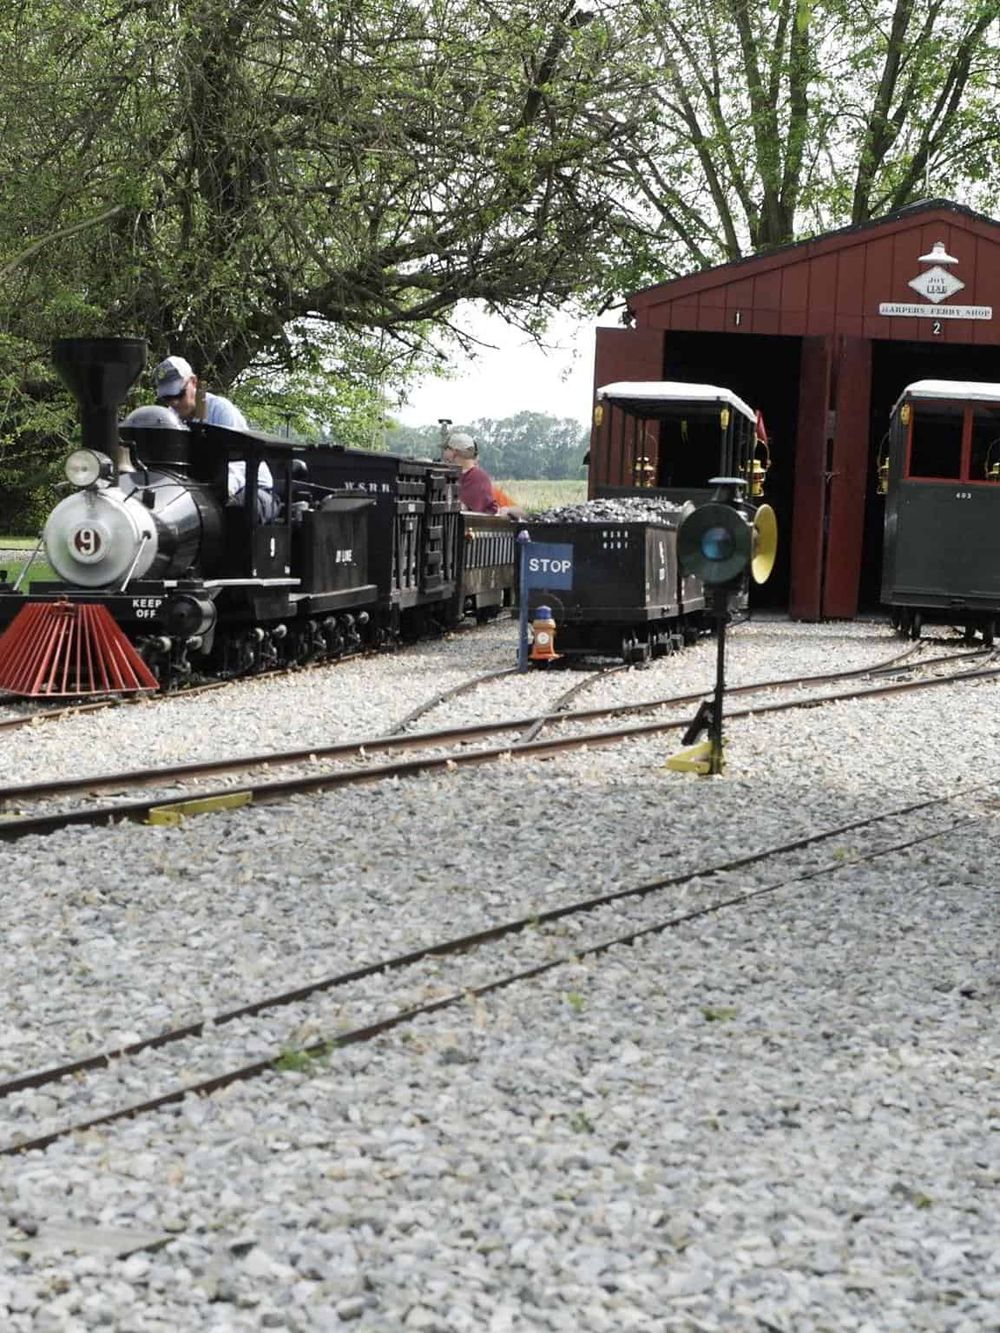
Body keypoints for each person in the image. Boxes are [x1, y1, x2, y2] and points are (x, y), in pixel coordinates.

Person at [152, 355, 277, 519]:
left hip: (251, 487)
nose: (174, 402)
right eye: (167, 397)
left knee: (236, 513)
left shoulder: (220, 410)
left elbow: (239, 465)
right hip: (200, 490)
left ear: (194, 382)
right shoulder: (169, 420)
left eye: (179, 394)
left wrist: (218, 492)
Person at [442, 431, 524, 516]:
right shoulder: (454, 475)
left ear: (454, 452)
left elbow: (462, 509)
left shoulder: (477, 477)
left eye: (446, 449)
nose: (444, 454)